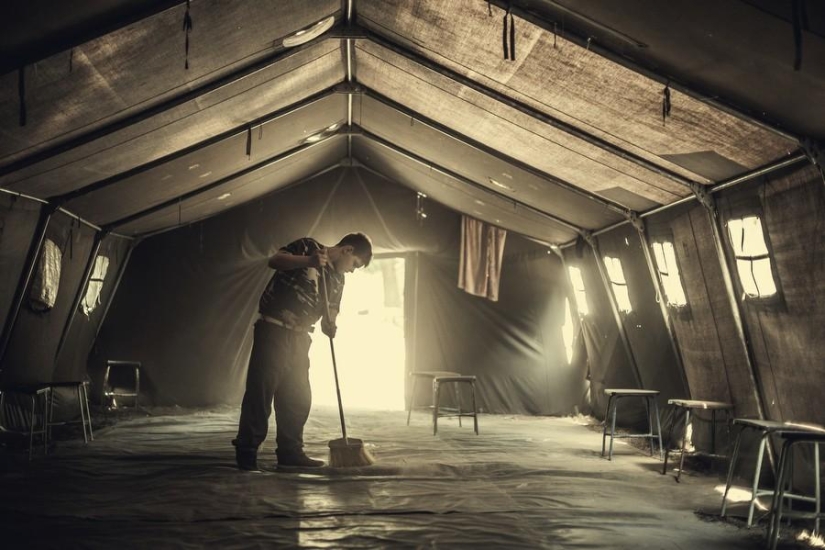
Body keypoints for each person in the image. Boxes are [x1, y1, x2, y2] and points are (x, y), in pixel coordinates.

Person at [232, 232, 373, 470]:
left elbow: (332, 308)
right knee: (261, 394)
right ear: (347, 250)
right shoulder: (308, 247)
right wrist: (308, 262)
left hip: (301, 337)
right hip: (273, 330)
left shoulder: (338, 279)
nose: (352, 270)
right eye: (355, 264)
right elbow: (275, 260)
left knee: (297, 397)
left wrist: (330, 323)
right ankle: (247, 453)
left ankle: (290, 452)